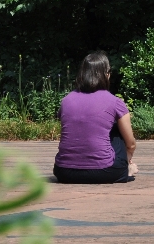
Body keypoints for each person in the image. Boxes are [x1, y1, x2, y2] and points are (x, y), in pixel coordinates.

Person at [53, 51, 139, 184]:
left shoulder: (66, 100)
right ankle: (126, 169)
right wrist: (126, 162)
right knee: (116, 129)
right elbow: (131, 144)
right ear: (106, 74)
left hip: (64, 172)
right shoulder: (114, 102)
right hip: (104, 172)